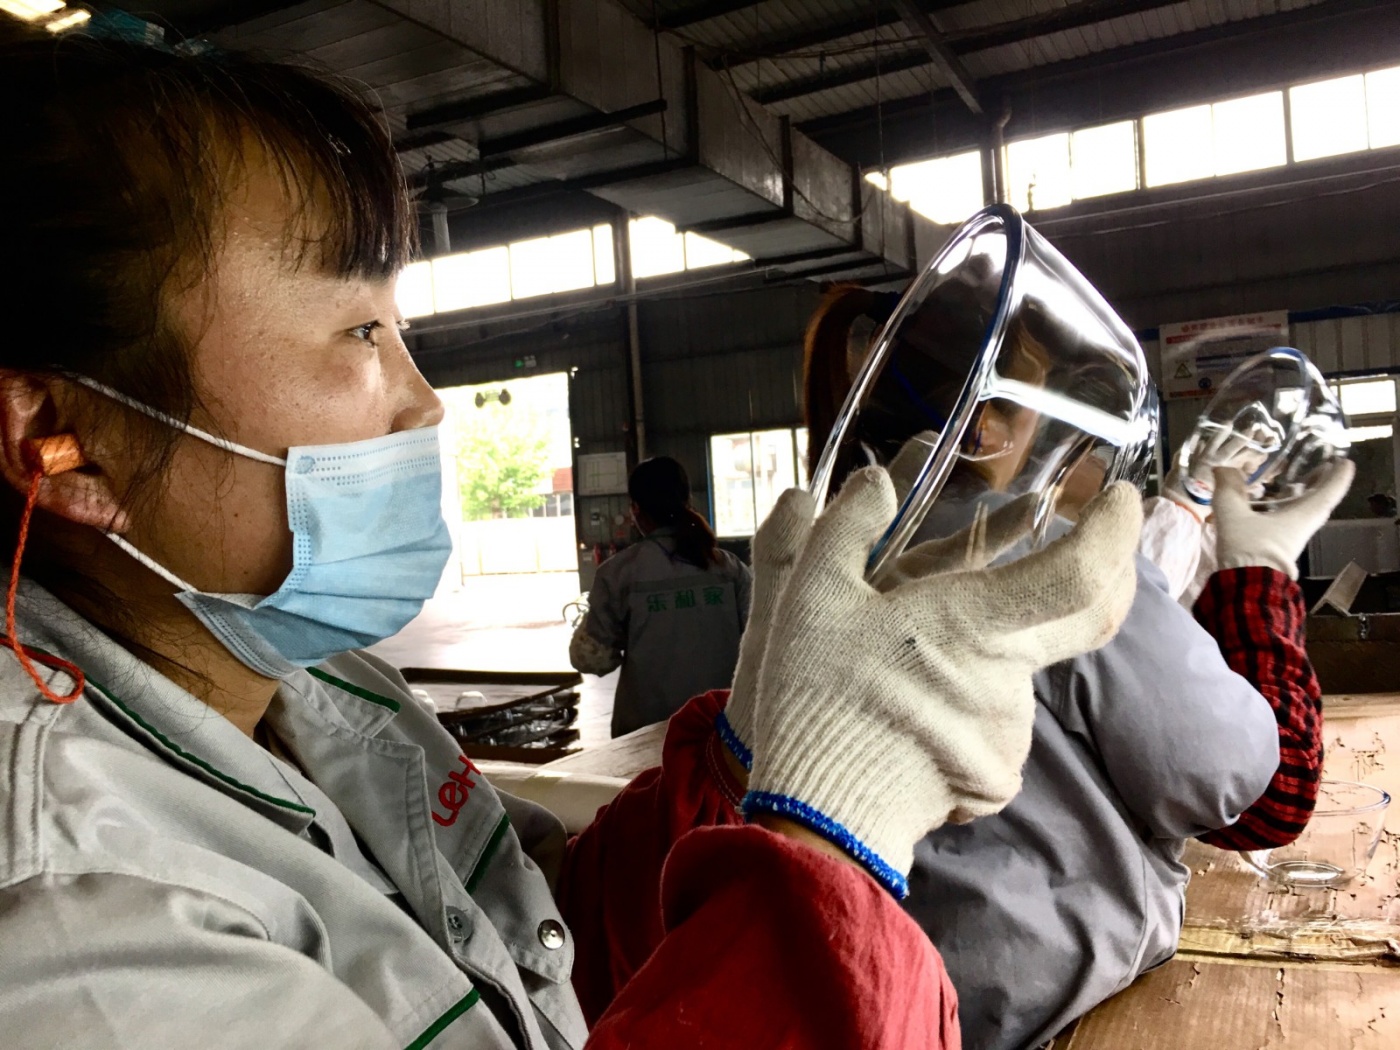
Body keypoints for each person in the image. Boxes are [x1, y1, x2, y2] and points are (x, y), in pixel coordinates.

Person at [0, 32, 1148, 1050]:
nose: (424, 403)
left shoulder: (324, 695)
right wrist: (829, 843)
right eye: (356, 331)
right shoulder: (72, 912)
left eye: (401, 327)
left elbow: (544, 946)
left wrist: (753, 750)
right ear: (66, 438)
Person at [786, 285, 1351, 1050]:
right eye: (1040, 401)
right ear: (986, 424)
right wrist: (1261, 578)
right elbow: (1264, 793)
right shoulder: (1042, 553)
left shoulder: (818, 561)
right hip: (1042, 1011)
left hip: (882, 1006)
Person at [569, 456, 751, 737]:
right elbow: (762, 640)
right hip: (723, 730)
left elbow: (591, 659)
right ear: (687, 500)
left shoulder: (618, 573)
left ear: (636, 509)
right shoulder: (729, 568)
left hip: (646, 733)